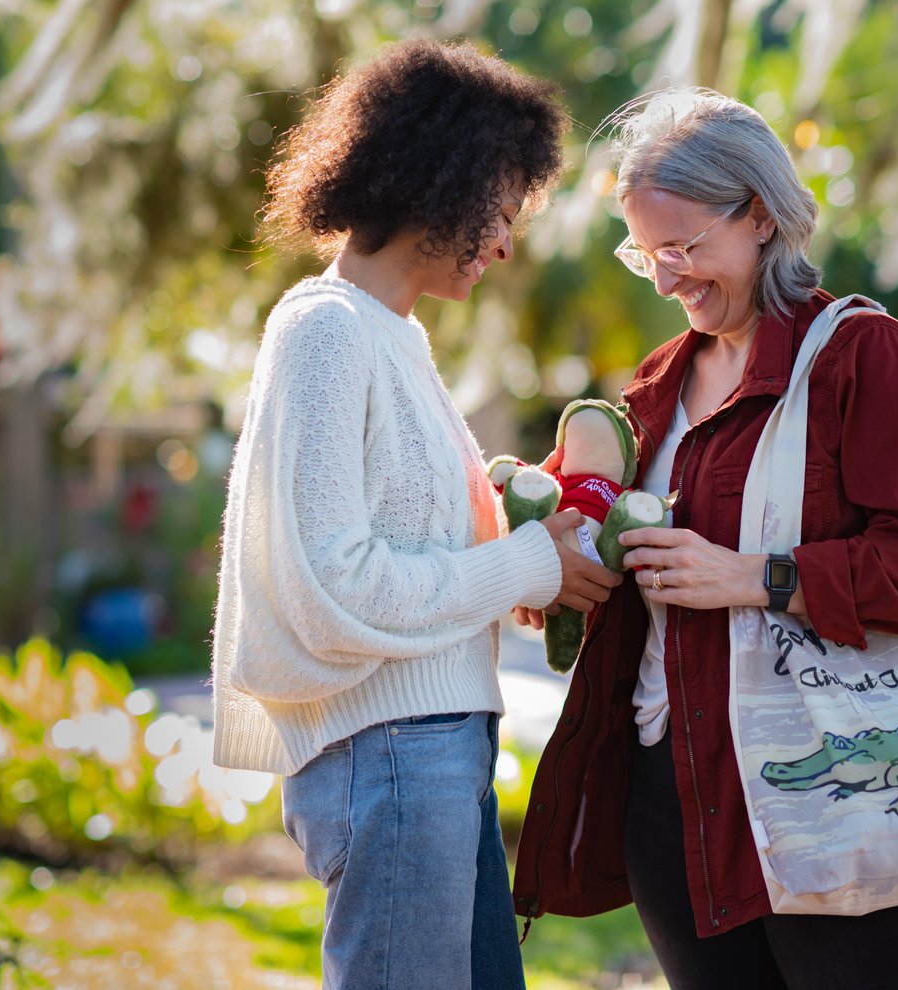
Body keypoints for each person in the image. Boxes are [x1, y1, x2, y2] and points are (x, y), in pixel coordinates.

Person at [511, 89, 898, 990]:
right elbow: (605, 538)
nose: (664, 279)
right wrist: (561, 575)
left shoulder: (861, 356)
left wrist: (752, 576)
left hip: (847, 787)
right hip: (678, 799)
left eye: (685, 248)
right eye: (643, 254)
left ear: (763, 217)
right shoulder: (656, 384)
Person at [209, 40, 620, 990]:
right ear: (442, 182)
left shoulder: (392, 337)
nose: (507, 243)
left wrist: (520, 545)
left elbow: (410, 548)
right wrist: (522, 566)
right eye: (501, 208)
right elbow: (332, 584)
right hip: (390, 755)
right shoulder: (326, 330)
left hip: (428, 749)